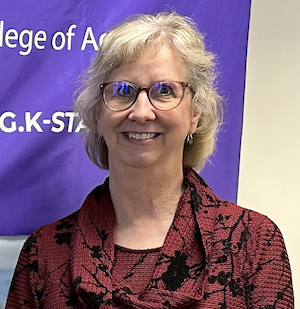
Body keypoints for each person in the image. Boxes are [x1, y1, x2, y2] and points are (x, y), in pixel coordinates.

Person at [6, 12, 294, 308]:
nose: (141, 112)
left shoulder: (254, 244)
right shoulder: (43, 255)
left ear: (195, 114)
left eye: (165, 90)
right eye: (122, 91)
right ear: (97, 114)